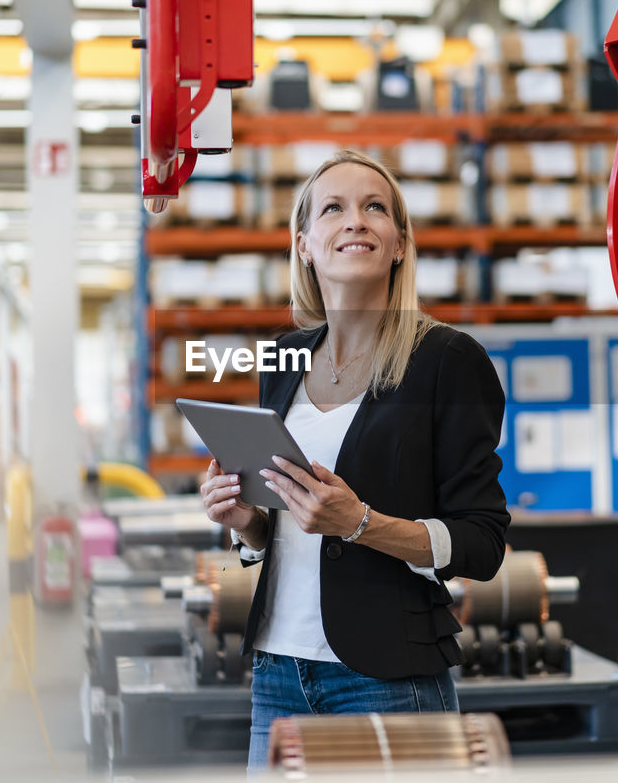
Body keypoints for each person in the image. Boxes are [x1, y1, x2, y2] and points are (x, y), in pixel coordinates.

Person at [198, 150, 509, 771]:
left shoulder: (447, 361)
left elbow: (482, 542)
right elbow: (279, 529)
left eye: (375, 208)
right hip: (279, 672)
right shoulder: (283, 357)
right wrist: (246, 524)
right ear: (305, 244)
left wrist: (359, 523)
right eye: (333, 209)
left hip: (387, 677)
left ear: (399, 244)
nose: (356, 221)